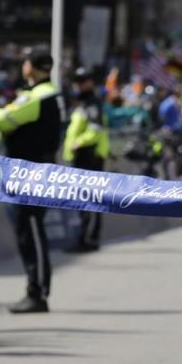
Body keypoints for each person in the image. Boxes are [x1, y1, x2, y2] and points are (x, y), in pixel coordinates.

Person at [0, 48, 63, 314]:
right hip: (33, 172)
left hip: (30, 175)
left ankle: (37, 292)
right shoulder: (48, 94)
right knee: (29, 230)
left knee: (31, 229)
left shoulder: (35, 97)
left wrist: (4, 111)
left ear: (30, 67)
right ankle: (35, 290)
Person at [63, 67, 110, 253]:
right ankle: (86, 237)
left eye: (82, 81)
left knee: (91, 201)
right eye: (76, 81)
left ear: (90, 82)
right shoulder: (83, 102)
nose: (78, 84)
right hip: (83, 155)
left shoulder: (91, 102)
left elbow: (95, 130)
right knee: (86, 201)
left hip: (89, 155)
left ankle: (89, 239)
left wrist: (78, 143)